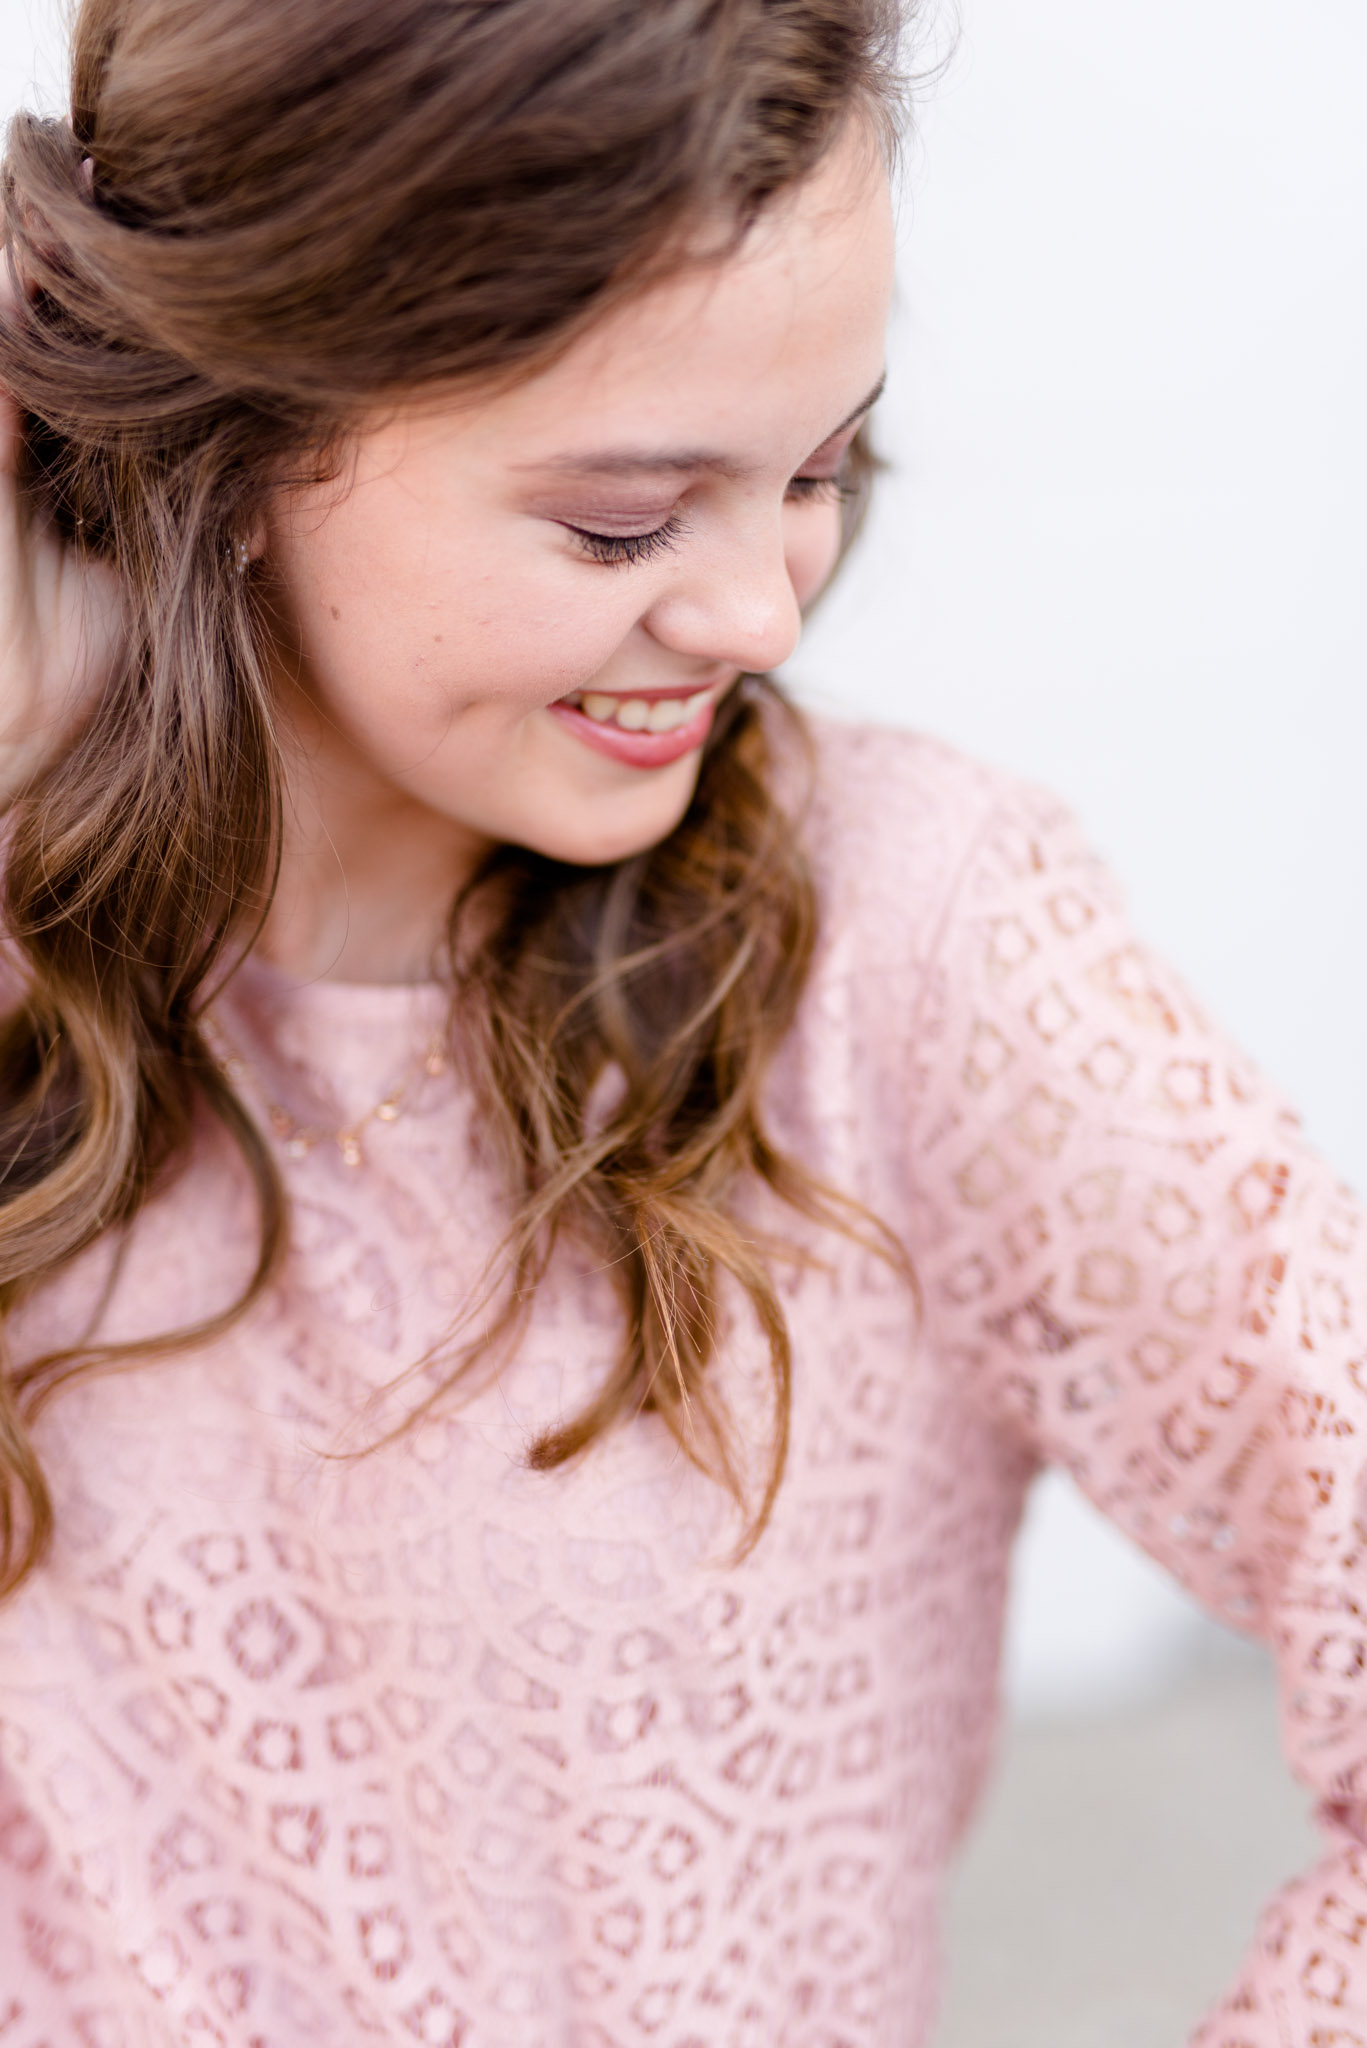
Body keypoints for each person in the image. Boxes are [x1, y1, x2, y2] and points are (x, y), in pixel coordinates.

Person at [0, 0, 1361, 2041]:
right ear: (247, 437)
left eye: (818, 469)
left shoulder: (912, 954)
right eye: (626, 522)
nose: (761, 612)